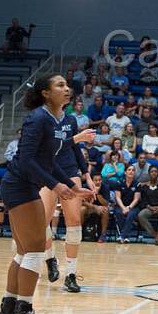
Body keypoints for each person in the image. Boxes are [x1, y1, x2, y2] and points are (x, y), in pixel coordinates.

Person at [0, 74, 93, 314]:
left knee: (24, 252)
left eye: (66, 85)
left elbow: (51, 161)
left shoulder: (60, 120)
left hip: (23, 186)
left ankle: (7, 310)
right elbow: (26, 161)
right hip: (20, 186)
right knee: (35, 250)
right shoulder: (38, 118)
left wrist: (70, 185)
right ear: (46, 93)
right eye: (60, 85)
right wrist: (55, 185)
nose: (66, 88)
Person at [41, 106, 96, 293]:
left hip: (69, 170)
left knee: (74, 221)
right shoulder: (42, 119)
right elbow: (50, 147)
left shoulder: (70, 120)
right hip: (47, 171)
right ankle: (50, 259)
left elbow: (75, 149)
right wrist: (77, 138)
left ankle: (70, 274)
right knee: (42, 221)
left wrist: (87, 174)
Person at [137, 165, 158, 245]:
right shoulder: (144, 186)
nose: (154, 173)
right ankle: (156, 236)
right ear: (149, 173)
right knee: (141, 215)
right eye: (152, 171)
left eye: (155, 171)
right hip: (149, 208)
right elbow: (143, 201)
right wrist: (150, 207)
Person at [112, 164, 141, 243]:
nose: (131, 171)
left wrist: (128, 208)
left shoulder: (137, 184)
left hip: (133, 206)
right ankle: (126, 236)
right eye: (129, 170)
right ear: (125, 172)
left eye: (133, 170)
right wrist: (123, 208)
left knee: (130, 214)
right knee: (119, 213)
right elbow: (118, 197)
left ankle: (122, 236)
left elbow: (136, 199)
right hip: (120, 205)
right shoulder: (119, 182)